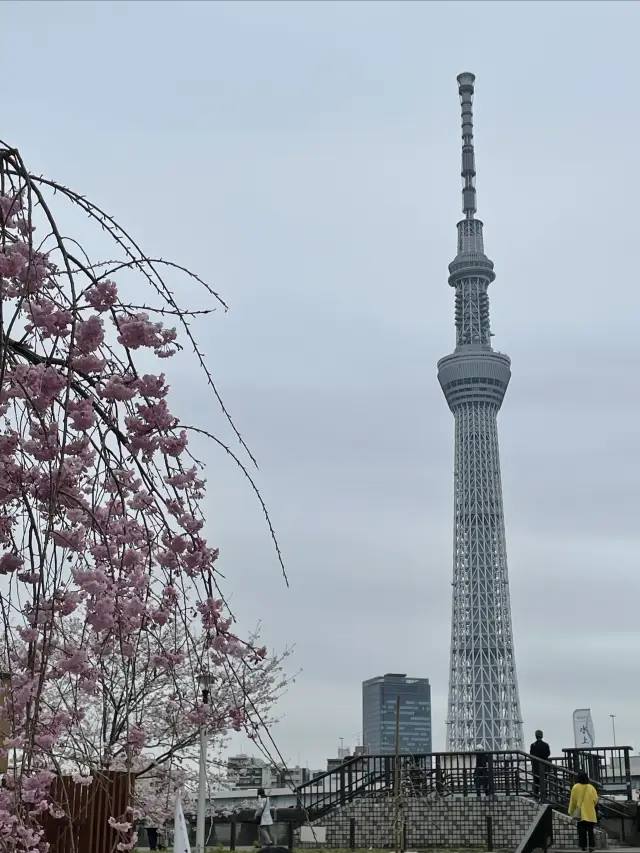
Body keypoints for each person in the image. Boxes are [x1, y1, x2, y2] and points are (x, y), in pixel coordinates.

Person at [569, 770, 599, 853]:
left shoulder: (575, 787)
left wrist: (571, 811)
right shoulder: (591, 787)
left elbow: (573, 801)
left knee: (581, 831)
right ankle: (592, 846)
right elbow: (596, 799)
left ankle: (583, 846)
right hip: (590, 813)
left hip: (581, 813)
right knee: (590, 830)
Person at [530, 730, 551, 800]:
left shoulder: (533, 745)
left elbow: (531, 755)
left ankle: (536, 795)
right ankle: (544, 795)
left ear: (535, 736)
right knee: (544, 781)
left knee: (536, 781)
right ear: (542, 736)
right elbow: (548, 754)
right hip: (544, 766)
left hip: (535, 766)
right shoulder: (546, 745)